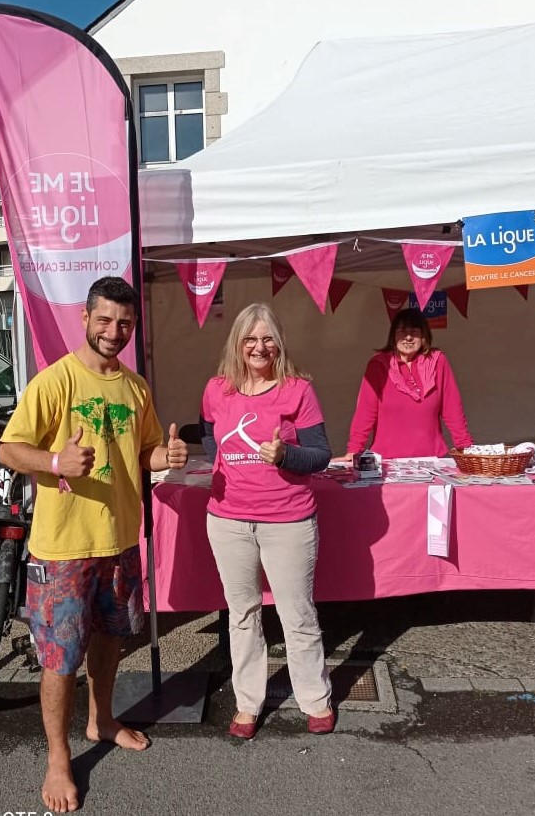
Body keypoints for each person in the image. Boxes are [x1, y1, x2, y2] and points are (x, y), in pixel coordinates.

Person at [0, 276, 187, 814]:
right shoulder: (54, 382)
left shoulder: (135, 387)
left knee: (109, 639)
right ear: (84, 318)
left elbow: (144, 452)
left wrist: (165, 458)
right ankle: (59, 758)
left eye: (124, 323)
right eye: (104, 320)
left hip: (119, 540)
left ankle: (101, 719)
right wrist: (56, 462)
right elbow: (10, 448)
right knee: (60, 657)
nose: (114, 331)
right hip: (62, 548)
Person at [199, 302, 334, 740]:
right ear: (237, 343)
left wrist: (286, 455)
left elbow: (321, 454)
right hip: (228, 521)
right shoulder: (217, 388)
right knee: (242, 615)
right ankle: (248, 703)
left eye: (267, 338)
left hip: (288, 520)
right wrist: (217, 457)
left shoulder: (298, 390)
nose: (259, 346)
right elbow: (207, 432)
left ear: (278, 342)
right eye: (250, 338)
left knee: (297, 614)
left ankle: (315, 700)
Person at [342, 308, 472, 460]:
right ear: (393, 336)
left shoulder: (438, 361)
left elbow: (452, 409)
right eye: (402, 331)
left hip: (432, 459)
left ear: (423, 336)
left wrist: (465, 447)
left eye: (414, 331)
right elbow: (365, 412)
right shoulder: (378, 365)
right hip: (387, 461)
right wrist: (354, 449)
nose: (408, 337)